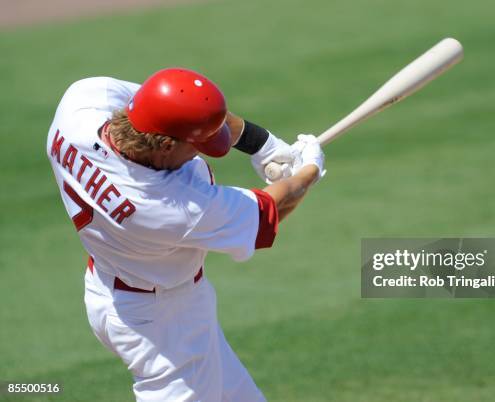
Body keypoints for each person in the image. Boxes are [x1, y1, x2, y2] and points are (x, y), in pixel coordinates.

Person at [46, 67, 325, 401]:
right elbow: (270, 212)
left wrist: (262, 145)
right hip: (163, 325)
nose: (200, 151)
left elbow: (189, 110)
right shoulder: (165, 207)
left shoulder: (80, 105)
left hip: (117, 288)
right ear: (164, 145)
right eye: (195, 145)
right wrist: (309, 171)